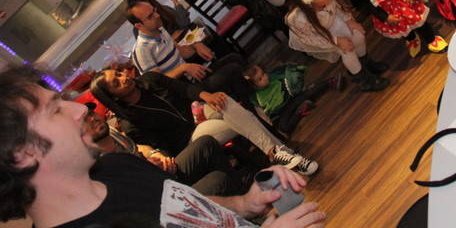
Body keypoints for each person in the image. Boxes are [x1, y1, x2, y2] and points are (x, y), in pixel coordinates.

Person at [0, 65, 326, 227]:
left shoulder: (116, 166)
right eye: (55, 110)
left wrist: (244, 204)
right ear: (22, 153)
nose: (80, 110)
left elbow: (181, 205)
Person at [89, 69, 319, 175]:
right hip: (190, 139)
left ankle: (280, 154)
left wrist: (207, 96)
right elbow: (165, 148)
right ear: (113, 98)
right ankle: (282, 153)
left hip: (198, 113)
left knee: (224, 101)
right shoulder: (130, 123)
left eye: (118, 74)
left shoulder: (149, 79)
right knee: (241, 118)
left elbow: (183, 88)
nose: (124, 78)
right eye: (117, 83)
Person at [84, 104, 246, 196]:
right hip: (159, 199)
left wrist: (155, 155)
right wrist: (153, 171)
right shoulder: (95, 165)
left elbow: (137, 148)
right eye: (85, 121)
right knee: (218, 180)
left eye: (91, 113)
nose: (93, 119)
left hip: (161, 176)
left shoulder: (112, 132)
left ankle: (242, 198)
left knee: (206, 143)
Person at [127, 0, 255, 106]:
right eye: (150, 16)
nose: (157, 15)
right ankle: (250, 107)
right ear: (139, 26)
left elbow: (179, 49)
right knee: (232, 69)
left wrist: (196, 45)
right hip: (184, 92)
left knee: (234, 58)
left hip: (192, 78)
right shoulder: (142, 51)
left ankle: (250, 99)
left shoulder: (160, 31)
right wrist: (183, 68)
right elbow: (158, 84)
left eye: (154, 10)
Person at [285, 0, 390, 92]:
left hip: (332, 20)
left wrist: (350, 21)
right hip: (320, 35)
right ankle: (363, 79)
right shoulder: (301, 20)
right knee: (347, 50)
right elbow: (313, 38)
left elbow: (338, 7)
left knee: (358, 35)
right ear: (309, 3)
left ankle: (366, 63)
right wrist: (336, 41)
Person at [244, 64, 344, 134]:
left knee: (308, 93)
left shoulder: (273, 77)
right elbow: (269, 112)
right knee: (284, 128)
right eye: (260, 79)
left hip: (292, 100)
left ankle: (330, 82)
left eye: (263, 73)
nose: (265, 77)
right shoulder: (258, 97)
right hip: (283, 112)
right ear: (254, 86)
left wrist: (297, 87)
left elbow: (289, 78)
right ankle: (300, 111)